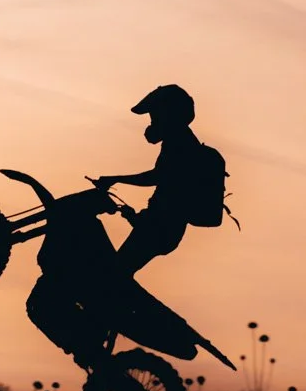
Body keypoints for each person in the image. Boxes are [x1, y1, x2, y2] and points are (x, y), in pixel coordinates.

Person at [94, 84, 229, 275]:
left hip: (160, 227)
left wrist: (116, 179)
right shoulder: (179, 141)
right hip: (160, 226)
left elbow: (157, 177)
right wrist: (136, 217)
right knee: (117, 272)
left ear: (168, 115)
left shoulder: (179, 143)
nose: (151, 122)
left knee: (114, 274)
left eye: (154, 115)